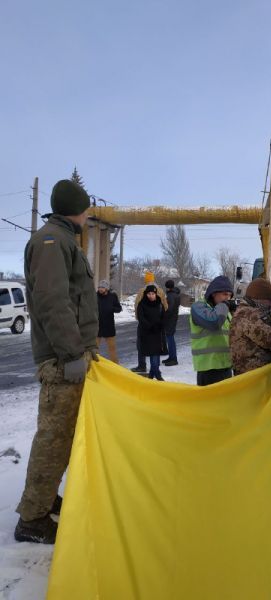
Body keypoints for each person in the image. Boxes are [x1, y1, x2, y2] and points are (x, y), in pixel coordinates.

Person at [15, 179, 98, 544]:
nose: (88, 214)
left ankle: (45, 499)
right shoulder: (52, 241)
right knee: (53, 439)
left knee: (63, 439)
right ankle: (32, 520)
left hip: (72, 357)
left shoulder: (62, 240)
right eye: (86, 208)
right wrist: (70, 354)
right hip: (63, 361)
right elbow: (52, 300)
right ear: (75, 209)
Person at [190, 275, 235, 386]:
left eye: (229, 295)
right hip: (208, 369)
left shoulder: (224, 310)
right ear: (214, 293)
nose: (228, 298)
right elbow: (214, 322)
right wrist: (224, 306)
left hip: (225, 367)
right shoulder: (199, 307)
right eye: (225, 294)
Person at [131, 272, 167, 373]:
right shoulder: (160, 291)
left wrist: (139, 318)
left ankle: (142, 365)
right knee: (158, 344)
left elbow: (137, 305)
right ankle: (156, 366)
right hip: (158, 323)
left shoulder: (142, 291)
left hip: (144, 323)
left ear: (145, 280)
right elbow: (165, 306)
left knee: (141, 343)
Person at [97, 279, 122, 363]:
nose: (100, 289)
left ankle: (116, 367)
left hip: (109, 325)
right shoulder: (94, 296)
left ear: (106, 288)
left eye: (102, 287)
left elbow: (119, 308)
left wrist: (111, 309)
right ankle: (93, 367)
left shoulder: (112, 296)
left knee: (112, 349)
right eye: (99, 287)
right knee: (93, 349)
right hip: (97, 326)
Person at [162, 279, 180, 366]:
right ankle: (171, 357)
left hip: (170, 320)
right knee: (170, 338)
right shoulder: (176, 294)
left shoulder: (171, 296)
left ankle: (173, 359)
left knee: (170, 339)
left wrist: (163, 314)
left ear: (167, 287)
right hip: (173, 319)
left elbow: (170, 309)